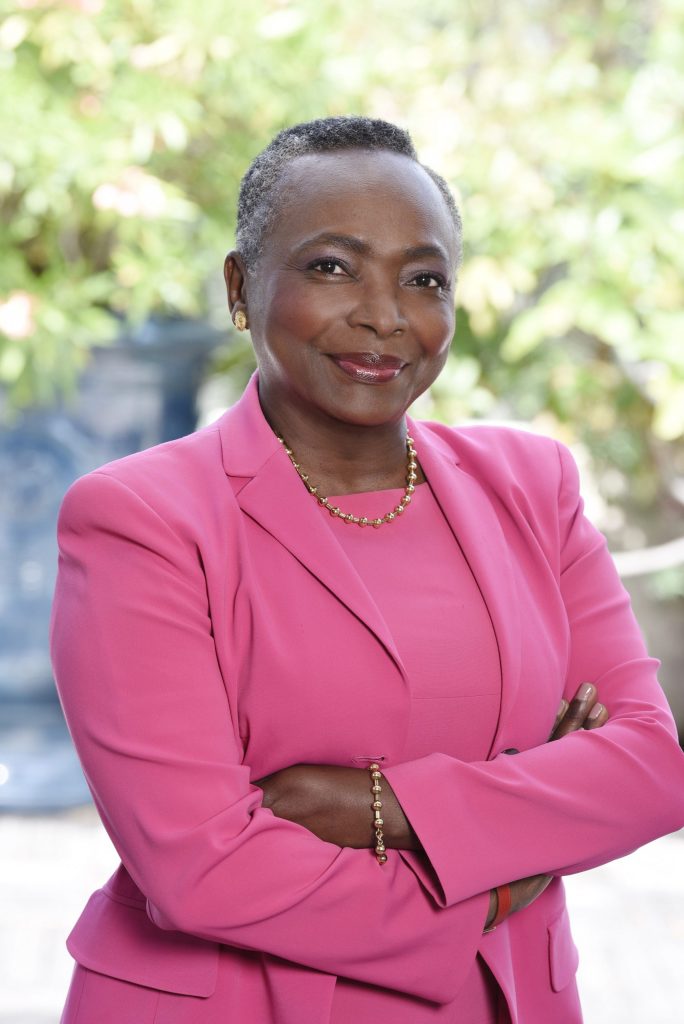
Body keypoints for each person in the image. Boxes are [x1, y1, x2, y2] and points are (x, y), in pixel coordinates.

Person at [50, 116, 684, 1024]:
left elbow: (651, 770)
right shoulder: (141, 520)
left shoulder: (532, 486)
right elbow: (201, 868)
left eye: (424, 279)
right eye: (333, 267)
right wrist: (510, 868)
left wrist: (381, 805)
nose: (385, 316)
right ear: (240, 286)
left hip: (508, 1001)